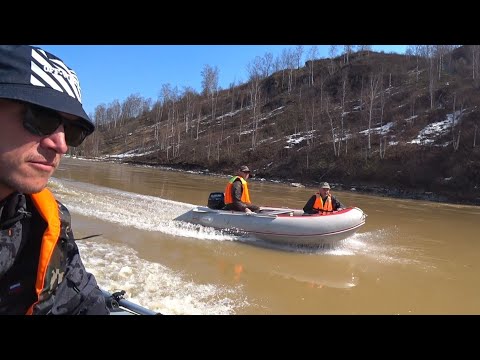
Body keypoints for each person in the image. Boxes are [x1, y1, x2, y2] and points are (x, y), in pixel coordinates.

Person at [0, 45, 109, 315]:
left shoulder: (46, 221)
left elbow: (80, 301)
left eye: (73, 130)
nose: (61, 144)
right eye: (42, 117)